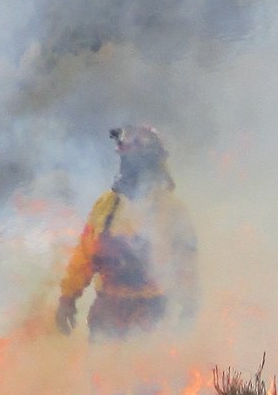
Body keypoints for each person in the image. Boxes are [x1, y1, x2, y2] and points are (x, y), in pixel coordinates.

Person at [56, 125, 199, 339]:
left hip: (153, 317)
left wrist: (188, 307)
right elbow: (84, 257)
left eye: (140, 162)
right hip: (108, 315)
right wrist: (68, 298)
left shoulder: (173, 212)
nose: (133, 170)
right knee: (103, 373)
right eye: (129, 162)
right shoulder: (105, 206)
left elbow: (185, 263)